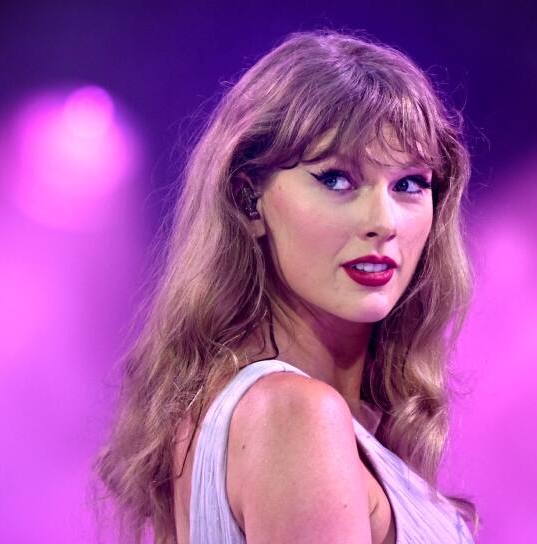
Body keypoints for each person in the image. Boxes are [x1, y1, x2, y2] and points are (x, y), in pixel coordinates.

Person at [95, 30, 477, 543]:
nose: (383, 222)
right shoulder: (293, 415)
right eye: (336, 179)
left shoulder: (240, 410)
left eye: (409, 184)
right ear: (248, 200)